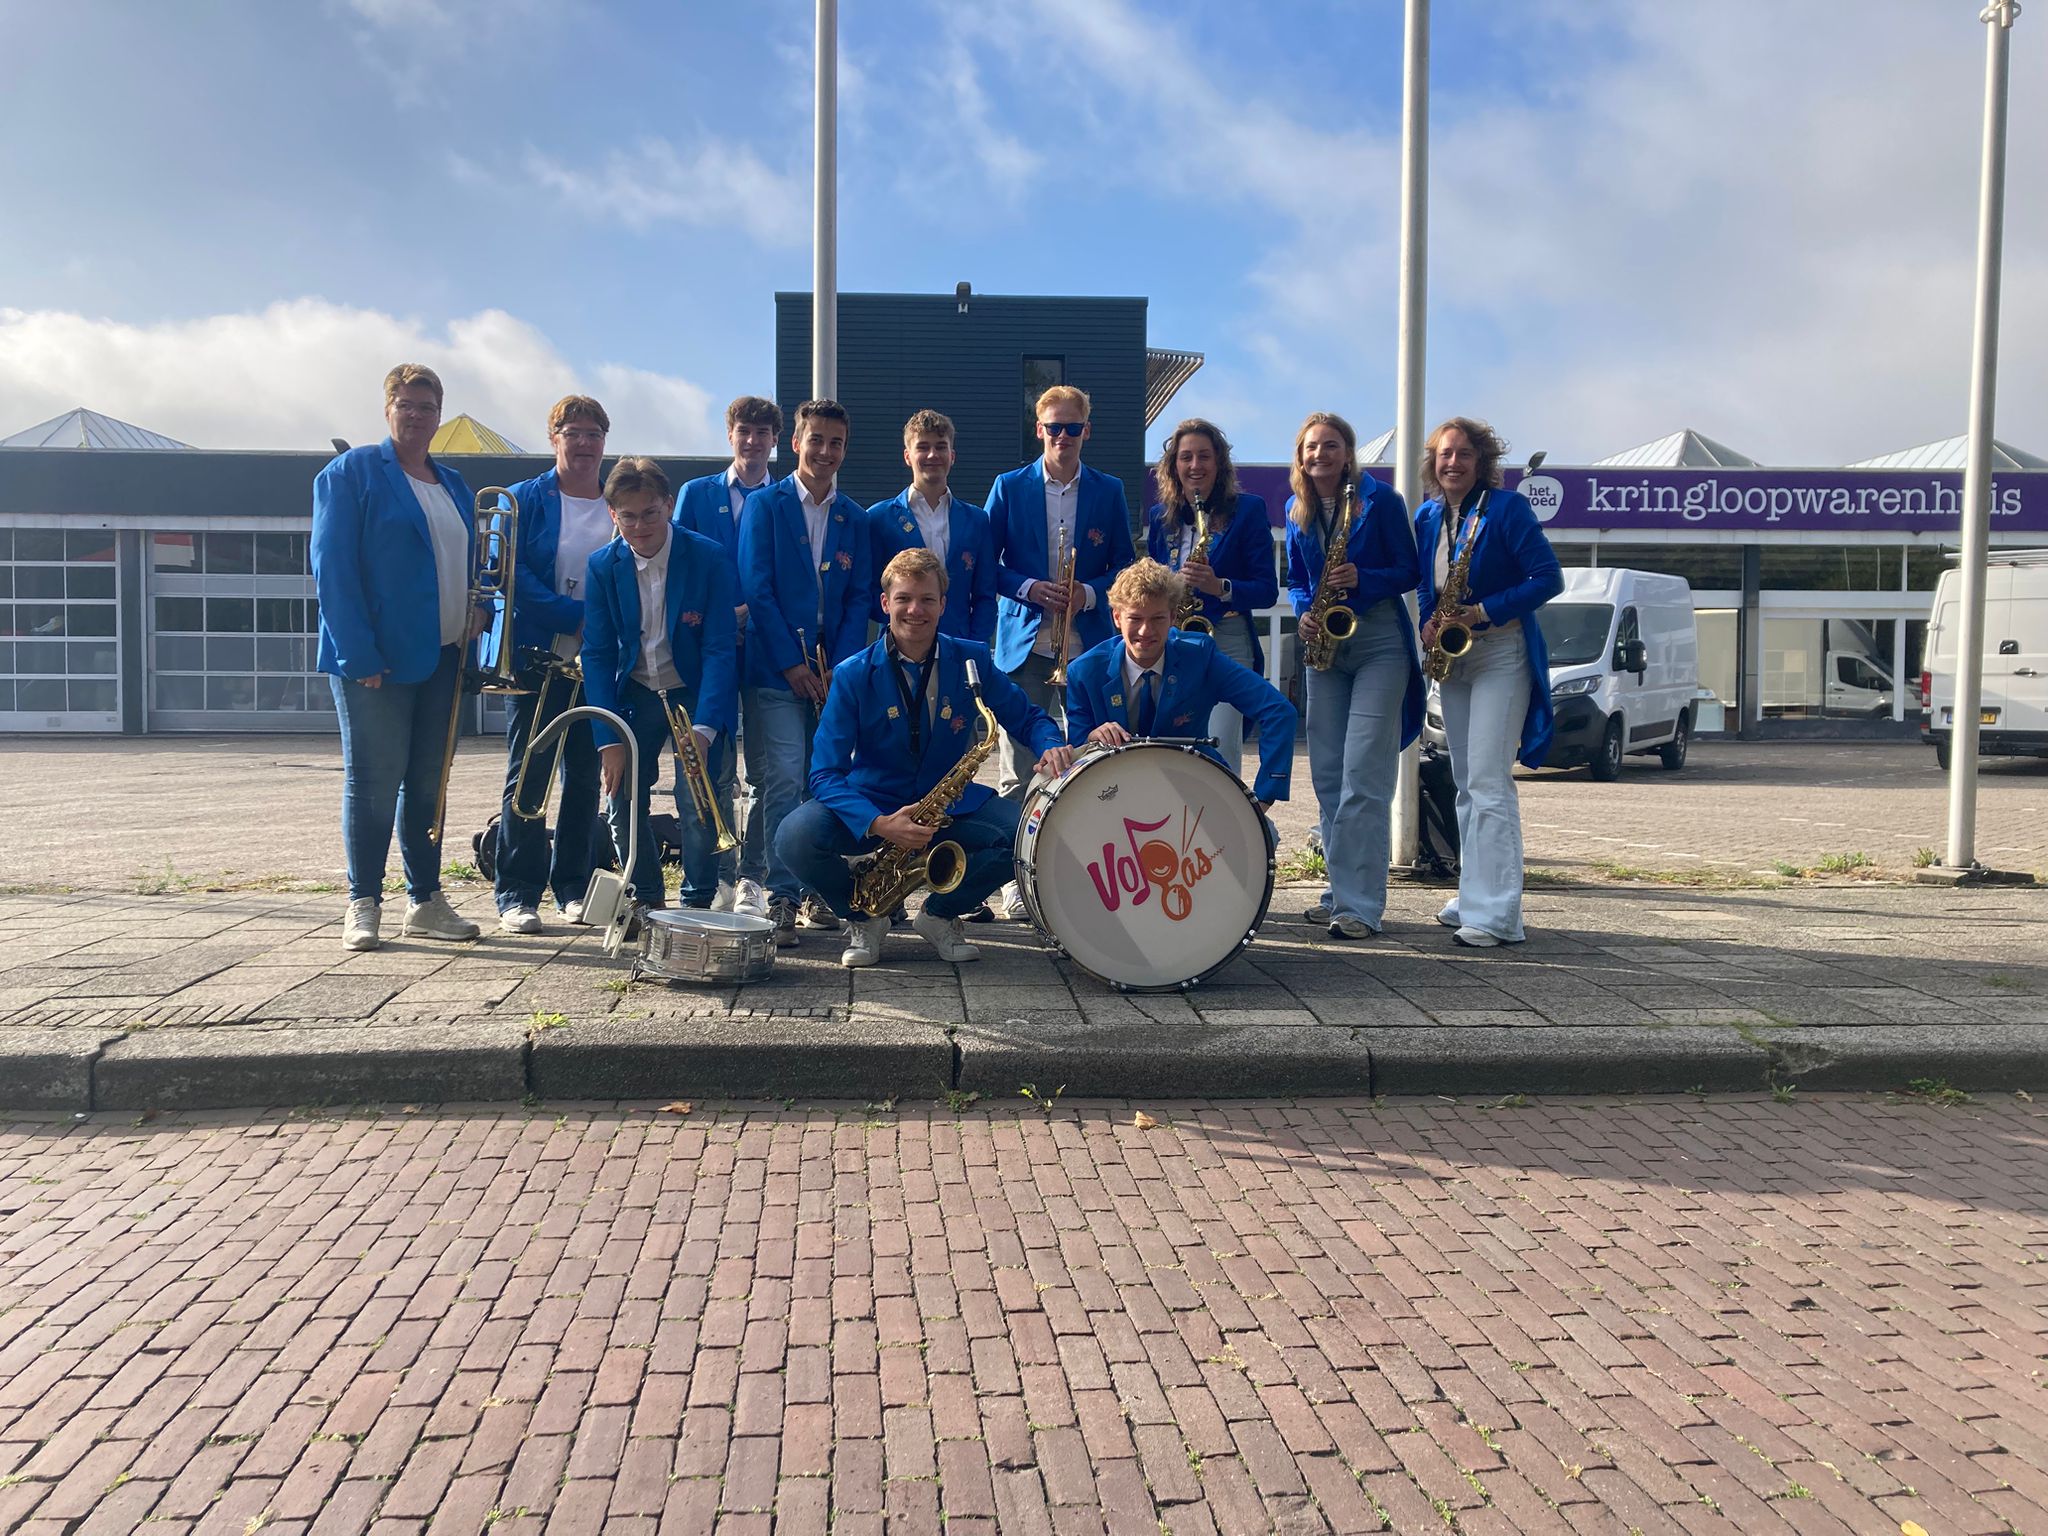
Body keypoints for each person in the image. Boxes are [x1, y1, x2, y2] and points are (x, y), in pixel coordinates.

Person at [777, 548, 1074, 967]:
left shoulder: (971, 659)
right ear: (885, 604)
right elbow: (825, 773)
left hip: (949, 805)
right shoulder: (852, 674)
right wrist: (878, 823)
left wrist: (1049, 746)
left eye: (927, 599)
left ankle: (939, 915)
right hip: (876, 803)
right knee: (795, 836)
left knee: (1028, 837)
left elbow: (1026, 717)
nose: (915, 610)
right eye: (904, 598)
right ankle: (863, 914)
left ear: (943, 605)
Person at [311, 363, 484, 952]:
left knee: (429, 784)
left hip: (444, 657)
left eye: (426, 406)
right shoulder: (351, 473)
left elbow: (469, 565)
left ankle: (426, 901)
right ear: (387, 409)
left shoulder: (454, 483)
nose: (416, 415)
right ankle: (363, 901)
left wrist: (477, 615)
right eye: (405, 404)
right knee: (373, 783)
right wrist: (358, 653)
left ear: (440, 414)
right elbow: (332, 569)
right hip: (376, 661)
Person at [986, 383, 1136, 916]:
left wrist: (1090, 593)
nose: (1064, 436)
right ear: (1039, 429)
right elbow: (988, 563)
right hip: (1026, 644)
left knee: (1091, 765)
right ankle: (1015, 877)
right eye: (1055, 427)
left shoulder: (1109, 489)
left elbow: (1125, 562)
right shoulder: (1008, 485)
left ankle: (1079, 870)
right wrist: (1030, 588)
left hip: (1087, 643)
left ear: (1087, 431)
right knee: (1019, 769)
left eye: (1074, 427)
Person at [1414, 417, 1563, 948]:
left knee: (1489, 783)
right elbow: (1427, 584)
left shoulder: (1506, 509)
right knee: (1464, 782)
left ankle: (1499, 914)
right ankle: (1472, 893)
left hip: (1501, 648)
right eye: (1444, 455)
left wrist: (1481, 610)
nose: (1452, 463)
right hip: (1456, 656)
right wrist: (1431, 620)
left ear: (1482, 462)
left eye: (1463, 455)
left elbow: (1548, 577)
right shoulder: (1428, 516)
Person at [736, 399, 872, 946]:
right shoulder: (765, 507)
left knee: (826, 782)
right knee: (786, 776)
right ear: (795, 443)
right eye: (815, 440)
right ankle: (781, 893)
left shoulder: (854, 517)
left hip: (832, 674)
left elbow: (861, 594)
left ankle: (817, 887)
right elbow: (757, 589)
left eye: (835, 442)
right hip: (774, 671)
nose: (825, 451)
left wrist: (838, 667)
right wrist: (792, 664)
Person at [1285, 412, 1425, 941]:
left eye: (1330, 445)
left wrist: (1364, 577)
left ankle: (1360, 907)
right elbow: (1297, 579)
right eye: (1310, 447)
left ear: (1347, 453)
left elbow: (1408, 570)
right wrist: (1302, 607)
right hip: (1325, 643)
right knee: (1326, 776)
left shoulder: (1381, 501)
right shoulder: (1295, 508)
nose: (1319, 455)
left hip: (1377, 642)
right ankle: (1337, 892)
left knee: (1364, 776)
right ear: (1300, 456)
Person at [580, 458, 738, 917]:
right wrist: (607, 737)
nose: (640, 525)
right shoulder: (602, 566)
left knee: (697, 802)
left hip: (691, 690)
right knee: (623, 797)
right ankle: (646, 896)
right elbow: (598, 653)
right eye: (627, 516)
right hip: (636, 693)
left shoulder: (707, 557)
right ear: (613, 515)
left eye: (650, 512)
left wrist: (706, 729)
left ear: (668, 505)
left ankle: (696, 902)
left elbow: (720, 649)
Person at [491, 395, 613, 934]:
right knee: (530, 774)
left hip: (599, 659)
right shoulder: (522, 501)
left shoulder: (618, 499)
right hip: (540, 655)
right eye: (573, 432)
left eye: (593, 434)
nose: (583, 443)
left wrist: (602, 626)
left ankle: (572, 885)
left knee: (587, 776)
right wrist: (578, 614)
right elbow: (514, 577)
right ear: (553, 437)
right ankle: (517, 892)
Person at [1063, 559, 1296, 808]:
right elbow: (1076, 747)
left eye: (1157, 618)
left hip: (1191, 793)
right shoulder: (1084, 671)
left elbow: (1278, 710)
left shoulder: (1200, 658)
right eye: (1135, 618)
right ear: (1117, 617)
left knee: (1263, 837)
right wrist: (1092, 737)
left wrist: (1263, 799)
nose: (1145, 630)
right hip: (1114, 795)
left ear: (1173, 616)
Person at [675, 395, 782, 916]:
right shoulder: (696, 495)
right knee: (714, 767)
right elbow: (679, 566)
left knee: (763, 770)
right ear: (729, 434)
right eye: (744, 430)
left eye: (763, 432)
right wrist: (718, 618)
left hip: (765, 650)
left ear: (775, 440)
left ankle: (752, 876)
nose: (753, 440)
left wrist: (749, 616)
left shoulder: (784, 498)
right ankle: (716, 870)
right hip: (708, 651)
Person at [1145, 418, 1278, 776]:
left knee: (1219, 752)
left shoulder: (1247, 510)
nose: (1195, 465)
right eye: (1186, 457)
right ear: (1174, 466)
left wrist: (1220, 586)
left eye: (1204, 456)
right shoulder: (1160, 518)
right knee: (1170, 751)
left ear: (1219, 464)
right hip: (1175, 644)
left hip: (1229, 640)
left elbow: (1267, 589)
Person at [868, 410, 997, 643]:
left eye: (940, 447)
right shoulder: (878, 519)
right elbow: (868, 591)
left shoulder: (977, 521)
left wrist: (974, 646)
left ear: (952, 455)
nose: (932, 455)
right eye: (922, 447)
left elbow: (985, 596)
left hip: (958, 649)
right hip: (897, 650)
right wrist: (905, 621)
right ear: (907, 456)